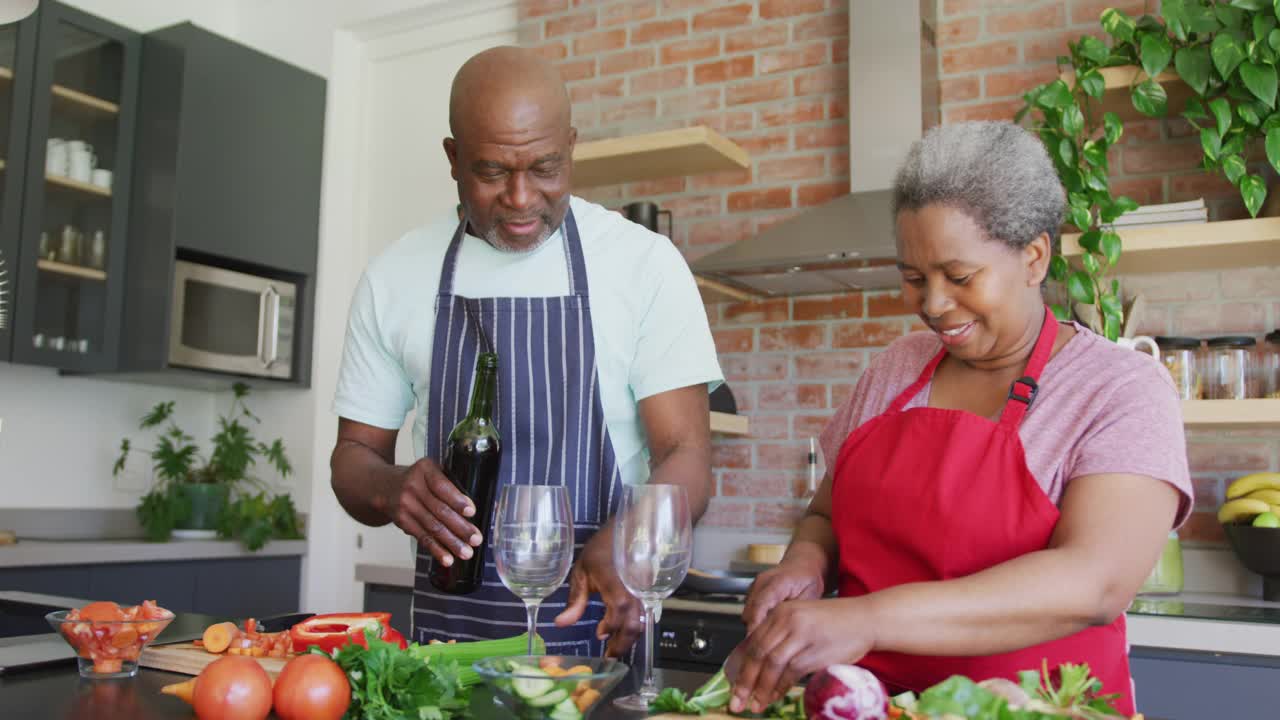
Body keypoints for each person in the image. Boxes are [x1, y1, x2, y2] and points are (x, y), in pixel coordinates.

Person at [725, 121, 1190, 717]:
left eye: (960, 277)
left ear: (1034, 257)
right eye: (915, 279)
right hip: (868, 707)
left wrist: (865, 619)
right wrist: (805, 567)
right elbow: (824, 514)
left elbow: (1095, 581)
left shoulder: (1119, 388)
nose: (934, 305)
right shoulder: (896, 369)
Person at [328, 46, 722, 657]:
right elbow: (353, 458)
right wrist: (391, 486)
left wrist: (628, 540)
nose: (520, 198)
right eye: (491, 172)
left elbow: (687, 455)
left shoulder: (643, 265)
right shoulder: (395, 275)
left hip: (597, 648)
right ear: (453, 158)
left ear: (571, 145)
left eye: (545, 167)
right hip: (444, 658)